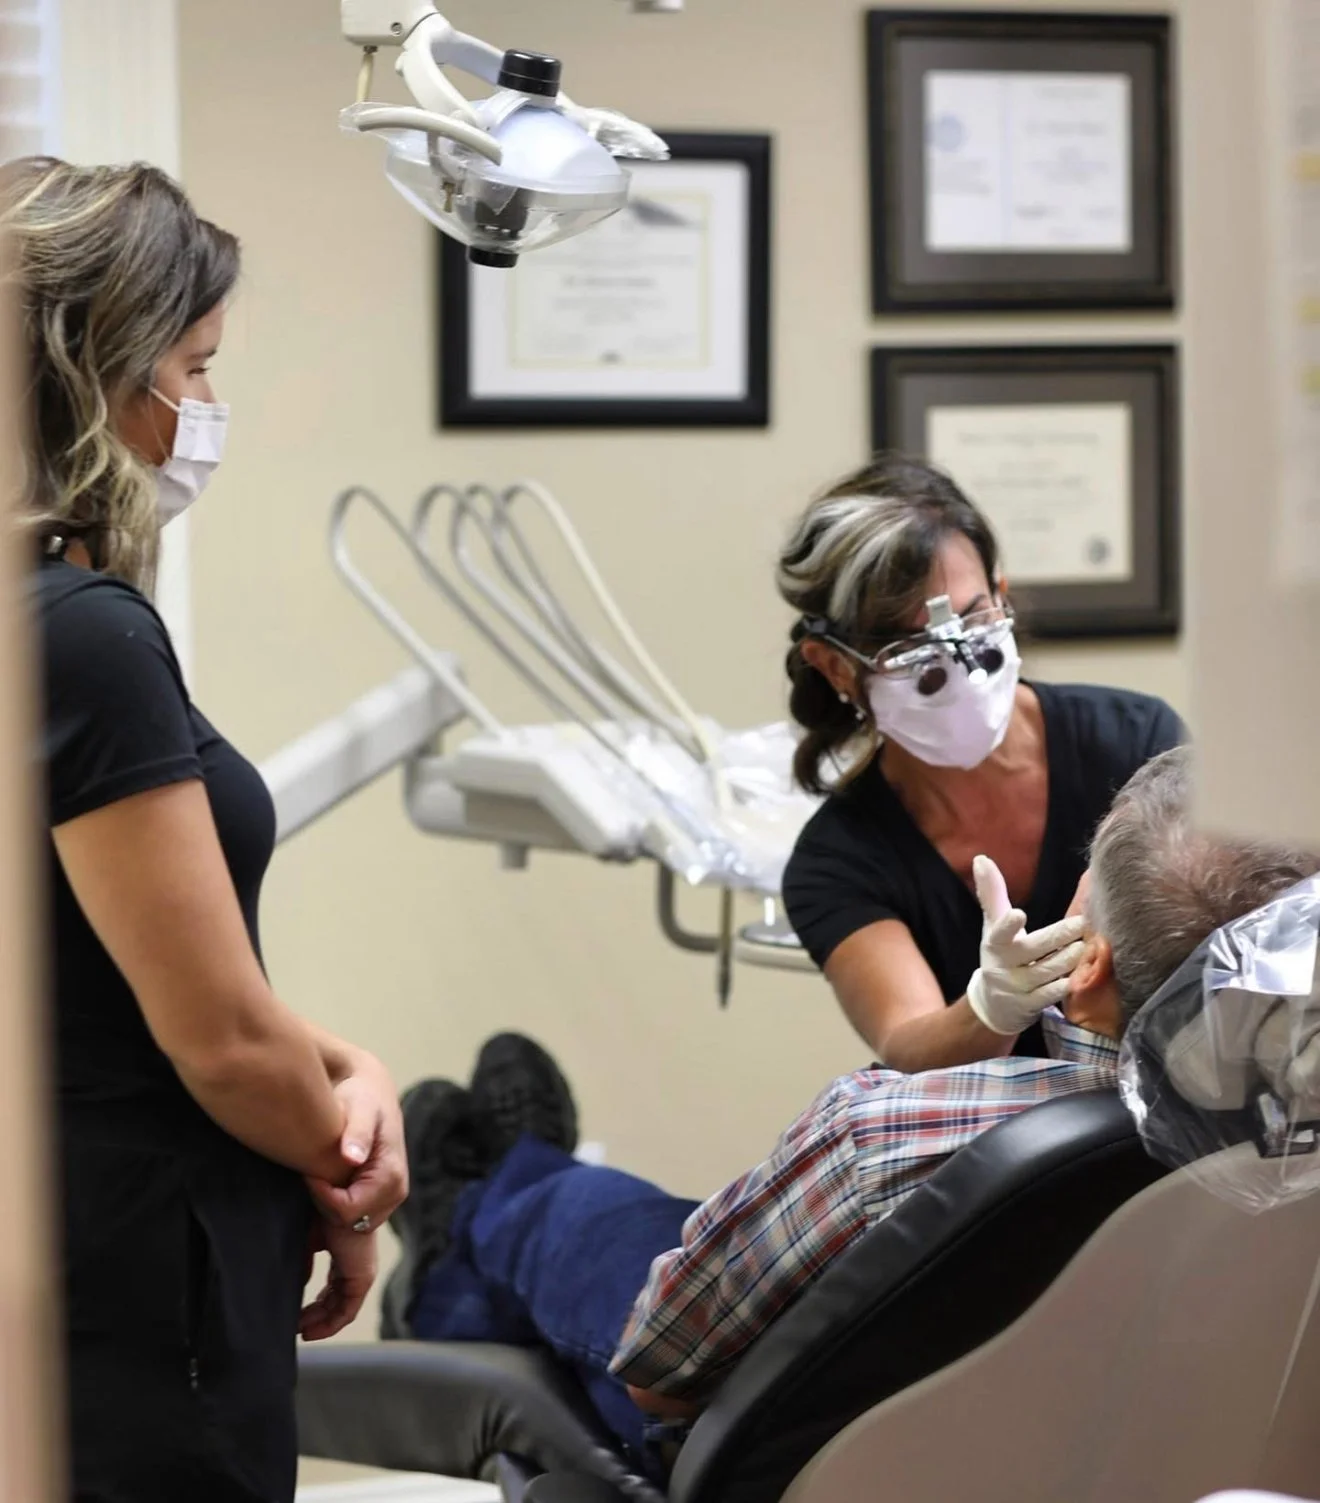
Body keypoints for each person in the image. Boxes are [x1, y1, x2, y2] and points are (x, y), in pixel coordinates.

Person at [390, 749, 1318, 1476]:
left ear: (1090, 970)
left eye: (1088, 877)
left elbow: (655, 1377)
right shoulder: (1290, 1179)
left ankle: (477, 1208)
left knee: (604, 1224)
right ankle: (481, 1213)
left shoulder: (890, 1141)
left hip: (807, 1467)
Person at [10, 158, 408, 1502]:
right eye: (197, 364)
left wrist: (341, 1064)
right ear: (104, 376)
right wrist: (345, 1168)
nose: (207, 405)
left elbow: (89, 971)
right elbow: (221, 1042)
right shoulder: (84, 637)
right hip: (142, 1279)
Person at [778, 453, 1185, 1070]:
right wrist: (992, 1005)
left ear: (1000, 593)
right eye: (905, 647)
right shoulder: (836, 860)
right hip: (996, 1148)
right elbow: (907, 1041)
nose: (956, 669)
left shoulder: (1135, 742)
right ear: (835, 664)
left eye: (972, 620)